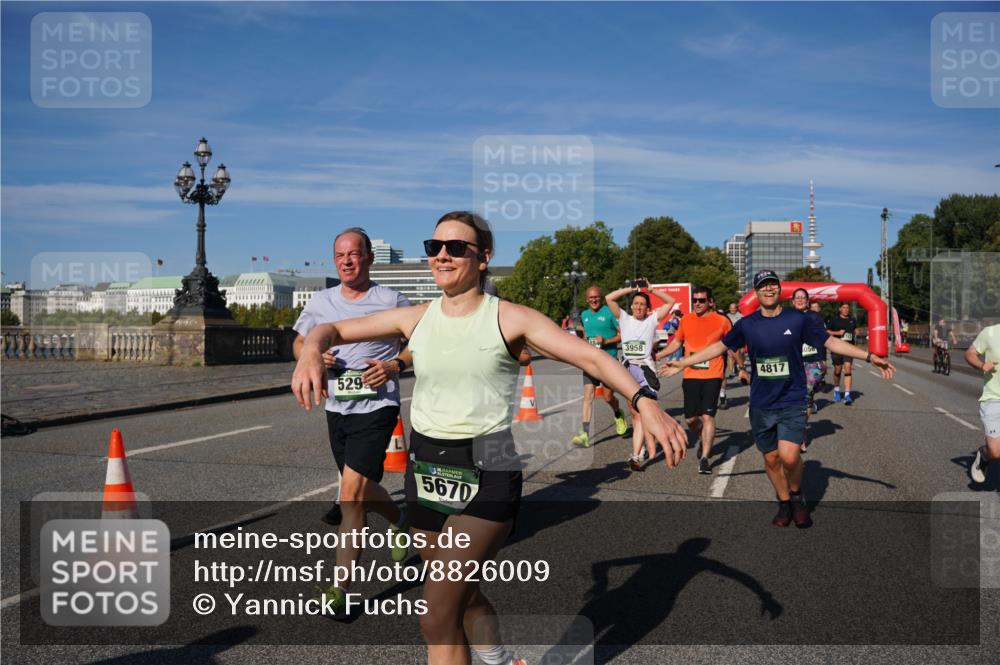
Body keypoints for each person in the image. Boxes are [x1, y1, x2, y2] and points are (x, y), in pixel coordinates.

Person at [292, 212, 687, 665]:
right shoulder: (415, 318)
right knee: (463, 594)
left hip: (488, 466)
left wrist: (644, 400)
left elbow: (591, 359)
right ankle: (499, 659)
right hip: (427, 470)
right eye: (434, 246)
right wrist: (310, 355)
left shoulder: (512, 318)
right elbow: (331, 329)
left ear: (483, 258)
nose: (442, 255)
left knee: (436, 615)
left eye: (456, 247)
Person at [662, 270, 895, 528]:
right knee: (771, 459)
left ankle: (796, 497)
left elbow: (831, 343)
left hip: (793, 399)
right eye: (763, 286)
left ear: (779, 290)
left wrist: (870, 357)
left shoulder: (797, 320)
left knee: (790, 457)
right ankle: (784, 503)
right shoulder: (748, 324)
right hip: (762, 404)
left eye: (773, 285)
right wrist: (683, 362)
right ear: (756, 292)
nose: (769, 290)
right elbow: (720, 347)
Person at [291, 227, 411, 607]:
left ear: (369, 258)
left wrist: (394, 364)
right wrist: (310, 356)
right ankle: (400, 521)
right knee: (355, 488)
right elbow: (298, 340)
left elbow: (419, 347)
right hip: (337, 407)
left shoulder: (391, 299)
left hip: (377, 408)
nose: (346, 260)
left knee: (350, 496)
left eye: (354, 254)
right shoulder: (321, 301)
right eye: (340, 254)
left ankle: (340, 590)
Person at [654, 285, 741, 474]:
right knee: (691, 419)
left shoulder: (722, 321)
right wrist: (659, 355)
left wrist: (741, 368)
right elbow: (677, 342)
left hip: (713, 375)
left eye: (702, 300)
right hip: (691, 374)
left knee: (708, 416)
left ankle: (705, 458)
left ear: (710, 301)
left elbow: (733, 346)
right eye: (695, 300)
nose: (698, 303)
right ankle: (704, 437)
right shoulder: (686, 320)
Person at [604, 280, 676, 471]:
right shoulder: (624, 319)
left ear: (647, 308)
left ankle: (638, 452)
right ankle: (638, 451)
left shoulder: (652, 320)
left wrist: (651, 289)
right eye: (635, 303)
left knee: (644, 413)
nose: (638, 307)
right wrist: (631, 288)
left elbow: (670, 302)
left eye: (642, 304)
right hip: (627, 372)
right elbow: (609, 298)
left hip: (646, 372)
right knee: (636, 415)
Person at [571, 286, 629, 448]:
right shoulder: (584, 315)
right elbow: (584, 337)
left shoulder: (608, 312)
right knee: (588, 396)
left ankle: (618, 414)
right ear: (587, 300)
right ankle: (585, 434)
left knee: (608, 397)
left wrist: (606, 341)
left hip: (608, 361)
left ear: (600, 297)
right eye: (591, 298)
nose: (594, 300)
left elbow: (622, 334)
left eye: (596, 297)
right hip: (590, 362)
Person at [965, 324, 999, 484]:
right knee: (995, 451)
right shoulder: (990, 332)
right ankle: (985, 455)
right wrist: (981, 365)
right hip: (994, 398)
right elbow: (970, 353)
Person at [792, 289, 825, 452]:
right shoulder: (787, 316)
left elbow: (824, 340)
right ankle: (792, 430)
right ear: (792, 301)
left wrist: (822, 362)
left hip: (811, 362)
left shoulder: (815, 318)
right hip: (792, 362)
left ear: (807, 300)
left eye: (802, 298)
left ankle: (801, 432)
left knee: (806, 397)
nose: (799, 300)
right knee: (792, 398)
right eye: (797, 298)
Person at [826, 302, 858, 404]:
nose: (846, 309)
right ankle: (836, 390)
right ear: (840, 309)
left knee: (848, 368)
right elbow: (827, 331)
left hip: (849, 347)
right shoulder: (834, 319)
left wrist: (856, 331)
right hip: (837, 347)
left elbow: (855, 329)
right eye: (844, 307)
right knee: (838, 370)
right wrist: (837, 333)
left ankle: (847, 394)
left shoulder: (852, 319)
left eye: (847, 308)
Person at [809, 301, 829, 386]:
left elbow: (827, 331)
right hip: (810, 347)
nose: (814, 309)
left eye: (816, 307)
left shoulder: (823, 319)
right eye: (812, 307)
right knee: (810, 367)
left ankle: (821, 377)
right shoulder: (806, 318)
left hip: (821, 345)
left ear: (819, 309)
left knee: (823, 367)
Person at [726, 303, 744, 378]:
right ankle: (731, 371)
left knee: (740, 354)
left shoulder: (741, 316)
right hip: (730, 338)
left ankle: (739, 367)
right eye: (731, 308)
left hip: (740, 337)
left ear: (736, 308)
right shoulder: (726, 316)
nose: (732, 309)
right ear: (729, 308)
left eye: (734, 308)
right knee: (730, 355)